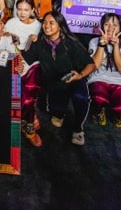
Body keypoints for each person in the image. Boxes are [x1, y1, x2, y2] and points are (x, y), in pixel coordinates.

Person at [22, 11, 96, 147]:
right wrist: (28, 42)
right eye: (44, 23)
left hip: (75, 80)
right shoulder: (39, 42)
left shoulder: (71, 43)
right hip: (54, 84)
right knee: (54, 112)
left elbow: (91, 65)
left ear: (60, 26)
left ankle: (78, 129)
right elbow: (26, 59)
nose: (46, 26)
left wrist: (80, 75)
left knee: (81, 98)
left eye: (51, 23)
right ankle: (59, 113)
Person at [88, 13, 121, 128]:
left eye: (115, 25)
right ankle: (99, 110)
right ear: (102, 26)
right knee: (99, 98)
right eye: (107, 24)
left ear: (120, 28)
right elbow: (95, 65)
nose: (110, 28)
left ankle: (116, 113)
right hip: (98, 79)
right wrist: (102, 45)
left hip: (120, 82)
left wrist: (116, 46)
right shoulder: (94, 41)